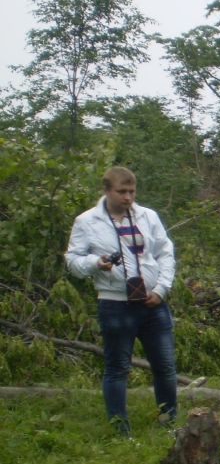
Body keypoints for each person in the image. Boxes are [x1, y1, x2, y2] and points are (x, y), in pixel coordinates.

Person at [65, 167, 177, 436]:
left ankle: (169, 422)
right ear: (106, 190)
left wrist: (161, 289)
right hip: (115, 304)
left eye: (131, 191)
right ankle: (120, 430)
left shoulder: (147, 216)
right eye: (121, 191)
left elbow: (165, 254)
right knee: (117, 368)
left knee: (164, 365)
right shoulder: (87, 221)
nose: (127, 197)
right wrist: (96, 263)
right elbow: (72, 261)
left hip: (152, 303)